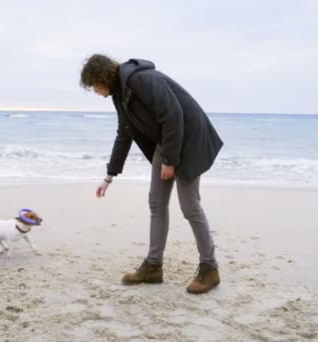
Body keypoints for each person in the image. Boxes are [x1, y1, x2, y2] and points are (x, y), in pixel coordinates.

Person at [80, 54, 224, 294]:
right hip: (167, 141)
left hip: (188, 140)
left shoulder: (142, 80)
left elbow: (173, 115)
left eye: (94, 85)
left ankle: (210, 268)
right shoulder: (120, 94)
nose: (94, 91)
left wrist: (170, 160)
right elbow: (124, 134)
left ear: (102, 77)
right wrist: (109, 175)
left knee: (190, 206)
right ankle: (153, 266)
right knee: (156, 203)